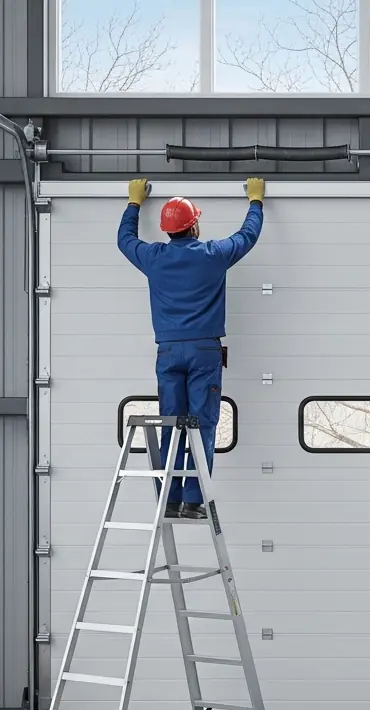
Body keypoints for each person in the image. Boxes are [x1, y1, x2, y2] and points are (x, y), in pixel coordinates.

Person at [118, 177, 266, 519]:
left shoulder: (153, 257)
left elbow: (124, 239)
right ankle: (193, 500)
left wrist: (134, 203)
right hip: (203, 353)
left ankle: (168, 499)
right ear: (194, 225)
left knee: (172, 424)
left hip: (169, 353)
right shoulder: (213, 255)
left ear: (167, 230)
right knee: (201, 424)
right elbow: (248, 236)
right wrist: (255, 201)